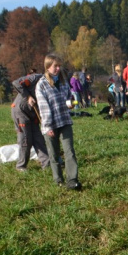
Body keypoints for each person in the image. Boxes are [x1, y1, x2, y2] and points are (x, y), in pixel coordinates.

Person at [35, 53, 81, 191]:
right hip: (50, 125)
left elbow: (67, 97)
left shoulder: (63, 81)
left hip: (65, 121)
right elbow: (43, 108)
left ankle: (72, 180)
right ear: (48, 66)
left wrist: (71, 103)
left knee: (69, 151)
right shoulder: (41, 85)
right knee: (54, 154)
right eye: (55, 66)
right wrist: (48, 126)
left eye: (59, 66)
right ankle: (58, 180)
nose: (58, 69)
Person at [11, 71, 50, 171]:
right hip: (21, 111)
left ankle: (47, 163)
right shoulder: (35, 78)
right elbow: (16, 83)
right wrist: (28, 96)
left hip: (34, 113)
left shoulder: (53, 86)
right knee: (25, 139)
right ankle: (21, 166)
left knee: (38, 138)